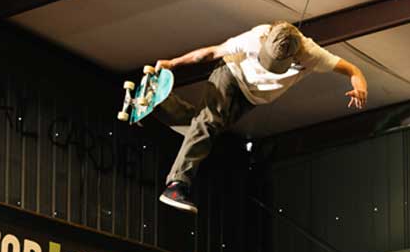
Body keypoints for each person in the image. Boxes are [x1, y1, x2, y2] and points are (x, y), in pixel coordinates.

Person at [154, 21, 368, 214]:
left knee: (204, 127)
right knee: (208, 122)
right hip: (231, 75)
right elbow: (211, 53)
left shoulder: (313, 54)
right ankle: (177, 184)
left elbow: (353, 70)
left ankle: (158, 101)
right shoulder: (255, 38)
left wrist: (360, 88)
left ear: (295, 56)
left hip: (251, 99)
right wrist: (173, 63)